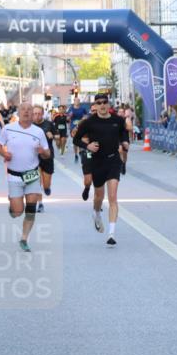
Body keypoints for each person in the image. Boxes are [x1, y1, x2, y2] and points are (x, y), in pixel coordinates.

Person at [72, 93, 132, 246]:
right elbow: (75, 138)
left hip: (113, 160)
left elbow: (123, 133)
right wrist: (88, 146)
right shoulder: (89, 122)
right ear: (95, 106)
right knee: (99, 196)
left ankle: (111, 233)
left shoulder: (117, 120)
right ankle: (96, 212)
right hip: (97, 162)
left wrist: (125, 142)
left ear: (109, 103)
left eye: (105, 102)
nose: (102, 105)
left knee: (112, 197)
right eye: (99, 103)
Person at [0, 103, 51, 252]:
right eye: (23, 109)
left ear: (32, 114)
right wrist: (4, 154)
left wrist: (42, 151)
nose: (26, 112)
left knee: (31, 209)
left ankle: (24, 238)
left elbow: (48, 153)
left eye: (29, 110)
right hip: (14, 175)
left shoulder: (38, 132)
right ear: (18, 112)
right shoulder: (8, 128)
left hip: (32, 175)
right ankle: (13, 204)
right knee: (18, 212)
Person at [31, 105, 56, 213]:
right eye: (35, 113)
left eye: (39, 113)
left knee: (46, 184)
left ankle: (47, 188)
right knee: (36, 181)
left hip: (47, 156)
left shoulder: (49, 124)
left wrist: (52, 136)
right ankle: (40, 204)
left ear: (42, 114)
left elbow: (58, 136)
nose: (37, 116)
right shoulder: (29, 126)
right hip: (34, 157)